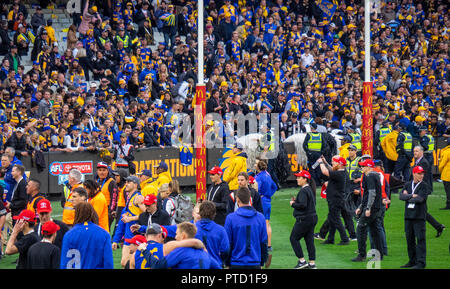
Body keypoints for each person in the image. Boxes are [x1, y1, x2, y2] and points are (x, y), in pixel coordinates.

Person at [140, 222, 220, 269]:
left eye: (177, 234)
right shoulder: (205, 253)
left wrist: (144, 250)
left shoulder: (180, 252)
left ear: (183, 235)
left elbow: (158, 266)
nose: (175, 237)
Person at [224, 187, 268, 269]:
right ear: (250, 199)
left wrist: (227, 263)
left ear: (237, 199)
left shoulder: (231, 218)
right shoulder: (260, 217)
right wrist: (262, 261)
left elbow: (228, 243)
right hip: (255, 262)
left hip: (236, 263)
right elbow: (264, 242)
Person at [60, 202, 114, 269]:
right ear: (92, 213)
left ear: (76, 214)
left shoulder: (69, 235)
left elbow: (64, 264)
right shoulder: (104, 234)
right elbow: (108, 263)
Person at [352, 159, 384, 262]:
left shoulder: (370, 176)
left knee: (360, 229)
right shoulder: (373, 175)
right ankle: (379, 255)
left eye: (363, 166)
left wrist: (368, 208)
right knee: (374, 231)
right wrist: (361, 207)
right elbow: (367, 195)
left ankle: (361, 255)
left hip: (372, 209)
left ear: (369, 167)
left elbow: (372, 193)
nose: (361, 168)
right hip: (375, 207)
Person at [399, 166, 429, 269]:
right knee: (409, 240)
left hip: (419, 216)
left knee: (420, 240)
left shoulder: (424, 185)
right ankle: (412, 261)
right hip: (408, 216)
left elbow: (421, 199)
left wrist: (408, 196)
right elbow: (401, 197)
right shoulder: (408, 184)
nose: (421, 175)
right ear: (414, 174)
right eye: (419, 173)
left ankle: (421, 263)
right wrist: (412, 196)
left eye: (422, 173)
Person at [112, 175, 145, 268]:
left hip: (136, 237)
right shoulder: (129, 199)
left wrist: (131, 218)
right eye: (126, 182)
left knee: (130, 263)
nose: (125, 184)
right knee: (124, 263)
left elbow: (148, 215)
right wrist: (115, 240)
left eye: (128, 182)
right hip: (128, 236)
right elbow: (122, 222)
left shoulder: (138, 198)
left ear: (135, 184)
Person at [412, 146, 445, 237]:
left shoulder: (423, 163)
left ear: (422, 152)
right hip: (420, 189)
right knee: (420, 211)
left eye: (417, 151)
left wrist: (419, 190)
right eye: (414, 151)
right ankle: (438, 226)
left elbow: (424, 178)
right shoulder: (419, 161)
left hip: (422, 190)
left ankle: (416, 230)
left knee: (419, 210)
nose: (415, 153)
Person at [318, 156, 352, 245]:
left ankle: (345, 239)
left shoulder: (338, 174)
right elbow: (331, 169)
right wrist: (325, 162)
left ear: (340, 165)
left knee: (336, 220)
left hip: (335, 200)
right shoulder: (341, 172)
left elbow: (325, 171)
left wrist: (321, 163)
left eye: (335, 162)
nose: (333, 163)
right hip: (337, 199)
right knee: (332, 219)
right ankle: (331, 238)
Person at [290, 170, 317, 269]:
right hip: (312, 218)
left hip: (304, 219)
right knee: (309, 241)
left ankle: (302, 261)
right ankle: (312, 263)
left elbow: (302, 205)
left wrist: (293, 204)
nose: (297, 179)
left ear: (305, 179)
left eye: (299, 177)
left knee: (293, 239)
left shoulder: (304, 190)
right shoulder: (309, 189)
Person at [254, 159, 277, 265]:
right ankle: (269, 245)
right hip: (267, 201)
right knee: (267, 222)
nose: (254, 164)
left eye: (255, 163)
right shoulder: (268, 174)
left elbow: (255, 189)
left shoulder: (258, 177)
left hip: (262, 201)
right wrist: (268, 195)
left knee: (259, 222)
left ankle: (261, 243)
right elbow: (274, 187)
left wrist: (260, 196)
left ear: (258, 166)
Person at [194, 201, 230, 268]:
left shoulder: (193, 229)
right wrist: (222, 260)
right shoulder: (220, 230)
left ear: (200, 213)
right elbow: (225, 250)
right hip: (216, 264)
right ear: (214, 214)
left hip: (197, 265)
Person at [96, 162, 119, 230]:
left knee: (104, 230)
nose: (102, 172)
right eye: (100, 170)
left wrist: (110, 212)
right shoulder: (97, 181)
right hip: (98, 209)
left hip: (107, 210)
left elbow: (114, 198)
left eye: (104, 170)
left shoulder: (111, 182)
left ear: (107, 171)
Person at [438, 138, 450, 210]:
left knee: (448, 191)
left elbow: (442, 164)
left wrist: (441, 171)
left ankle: (448, 205)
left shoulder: (446, 152)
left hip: (447, 175)